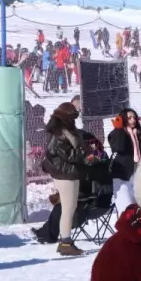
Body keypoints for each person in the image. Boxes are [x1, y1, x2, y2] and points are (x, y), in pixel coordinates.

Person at [43, 102, 92, 257]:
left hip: (69, 174)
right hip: (66, 175)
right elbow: (71, 156)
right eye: (73, 117)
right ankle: (65, 243)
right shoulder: (60, 134)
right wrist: (85, 152)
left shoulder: (65, 131)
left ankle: (65, 242)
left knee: (68, 208)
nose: (75, 120)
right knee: (68, 210)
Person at [107, 108, 141, 214]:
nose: (133, 120)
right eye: (129, 118)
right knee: (126, 210)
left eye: (134, 117)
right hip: (123, 177)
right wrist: (118, 129)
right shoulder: (116, 134)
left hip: (139, 176)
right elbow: (119, 147)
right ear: (123, 119)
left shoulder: (139, 133)